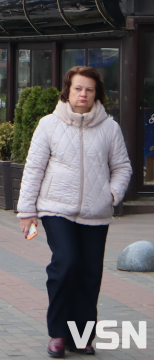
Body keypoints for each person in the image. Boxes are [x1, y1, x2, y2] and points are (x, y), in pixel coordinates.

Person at [17, 66, 131, 357]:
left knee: (89, 273)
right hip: (57, 209)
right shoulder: (49, 125)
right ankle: (57, 333)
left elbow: (122, 167)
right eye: (78, 88)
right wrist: (26, 211)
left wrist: (112, 195)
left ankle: (81, 337)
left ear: (97, 94)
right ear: (67, 90)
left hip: (97, 212)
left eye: (89, 89)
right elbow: (33, 169)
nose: (83, 94)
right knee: (66, 264)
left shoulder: (110, 128)